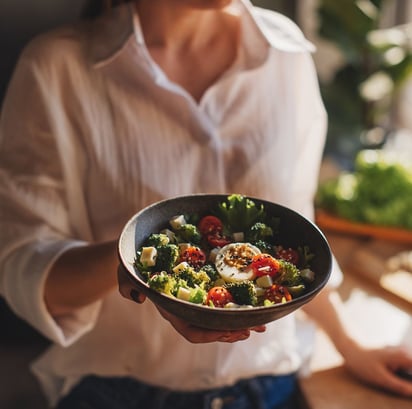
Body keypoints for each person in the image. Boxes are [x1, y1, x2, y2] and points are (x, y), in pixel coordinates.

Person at [0, 0, 411, 408]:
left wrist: (350, 344)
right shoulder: (56, 68)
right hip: (118, 395)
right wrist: (131, 263)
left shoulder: (287, 55)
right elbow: (24, 270)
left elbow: (294, 233)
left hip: (269, 390)